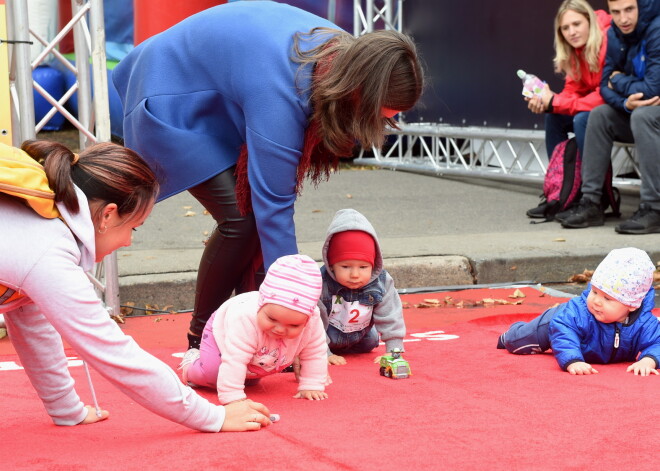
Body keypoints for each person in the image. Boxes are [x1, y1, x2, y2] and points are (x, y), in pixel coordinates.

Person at [112, 1, 424, 354]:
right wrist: (299, 315)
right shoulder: (281, 93)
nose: (385, 123)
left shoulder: (349, 59)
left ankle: (250, 331)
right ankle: (204, 341)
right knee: (243, 221)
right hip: (169, 91)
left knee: (256, 227)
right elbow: (273, 206)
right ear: (358, 93)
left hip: (220, 84)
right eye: (380, 114)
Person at [0, 140, 271, 431]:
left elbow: (32, 322)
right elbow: (115, 354)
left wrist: (67, 409)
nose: (128, 241)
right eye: (133, 227)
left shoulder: (41, 218)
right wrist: (214, 417)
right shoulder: (48, 249)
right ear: (107, 215)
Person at [557, 0, 660, 232]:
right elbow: (604, 86)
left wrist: (619, 80)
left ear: (641, 6)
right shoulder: (614, 33)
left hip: (651, 110)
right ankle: (592, 201)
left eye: (629, 10)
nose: (623, 18)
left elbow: (653, 88)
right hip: (640, 108)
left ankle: (654, 207)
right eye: (616, 12)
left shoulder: (656, 28)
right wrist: (624, 101)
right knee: (600, 114)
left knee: (643, 115)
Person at [180, 254, 329, 405]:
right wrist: (233, 396)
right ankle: (192, 363)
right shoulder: (245, 318)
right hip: (222, 331)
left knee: (250, 380)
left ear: (307, 320)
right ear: (261, 305)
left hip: (259, 350)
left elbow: (315, 352)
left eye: (293, 325)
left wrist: (312, 384)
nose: (280, 330)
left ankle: (245, 374)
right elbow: (235, 359)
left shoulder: (313, 320)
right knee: (212, 374)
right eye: (272, 319)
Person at [497, 247, 660, 376]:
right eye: (594, 292)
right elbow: (564, 334)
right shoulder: (577, 313)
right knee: (518, 342)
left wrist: (649, 360)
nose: (596, 301)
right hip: (557, 322)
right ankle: (511, 334)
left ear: (632, 305)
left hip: (591, 346)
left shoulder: (644, 323)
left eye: (607, 299)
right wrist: (572, 360)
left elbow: (657, 342)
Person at [318, 209, 406, 365]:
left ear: (373, 264)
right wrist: (323, 353)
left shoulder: (382, 282)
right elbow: (314, 322)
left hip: (361, 337)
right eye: (345, 267)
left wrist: (394, 352)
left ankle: (355, 342)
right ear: (331, 265)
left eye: (363, 267)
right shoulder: (320, 281)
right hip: (325, 337)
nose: (355, 274)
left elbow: (391, 316)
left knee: (371, 341)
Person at [525, 0, 611, 162]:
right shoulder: (574, 49)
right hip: (599, 109)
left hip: (621, 109)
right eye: (565, 28)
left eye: (577, 24)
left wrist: (555, 102)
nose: (572, 32)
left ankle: (594, 186)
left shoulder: (609, 40)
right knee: (553, 117)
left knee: (583, 119)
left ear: (589, 21)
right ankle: (560, 183)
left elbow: (605, 96)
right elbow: (572, 91)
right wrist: (546, 102)